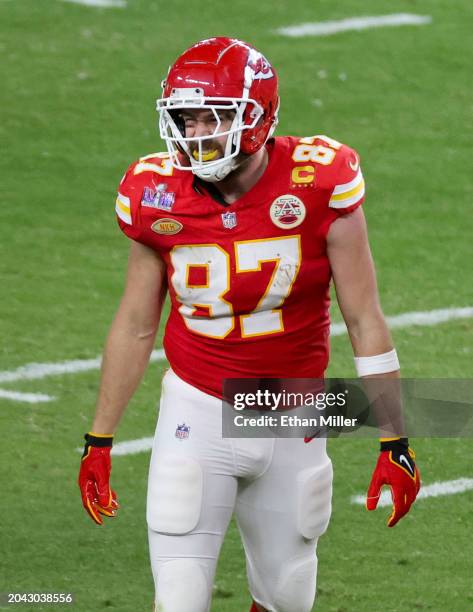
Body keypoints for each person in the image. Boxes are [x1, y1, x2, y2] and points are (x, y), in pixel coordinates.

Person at [78, 37, 421, 612]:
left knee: (287, 597)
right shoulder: (154, 192)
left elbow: (364, 318)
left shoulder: (319, 180)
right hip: (198, 405)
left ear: (257, 116)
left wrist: (396, 439)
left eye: (210, 116)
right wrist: (99, 439)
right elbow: (137, 325)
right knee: (180, 600)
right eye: (184, 117)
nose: (194, 133)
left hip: (293, 411)